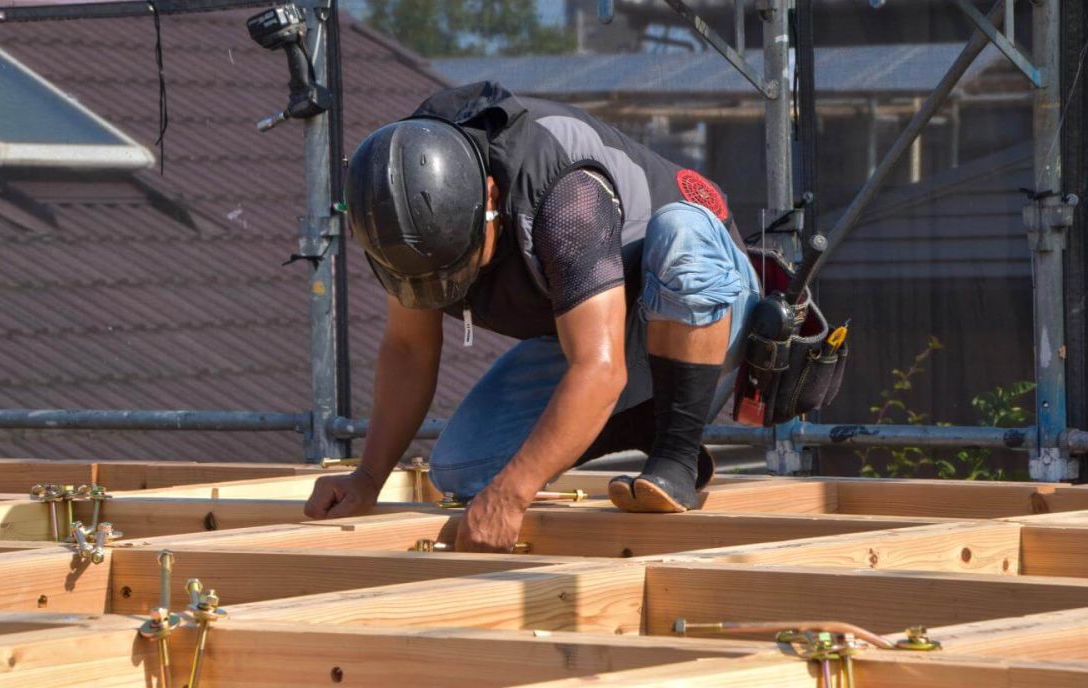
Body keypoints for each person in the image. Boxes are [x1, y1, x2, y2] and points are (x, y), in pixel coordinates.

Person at [304, 81, 760, 552]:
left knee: (683, 232)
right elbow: (408, 348)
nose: (442, 288)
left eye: (457, 266)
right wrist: (368, 477)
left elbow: (599, 368)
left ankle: (676, 455)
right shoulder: (399, 212)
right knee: (461, 469)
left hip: (709, 317)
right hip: (599, 330)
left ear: (489, 200)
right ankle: (640, 420)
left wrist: (512, 493)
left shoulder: (566, 199)